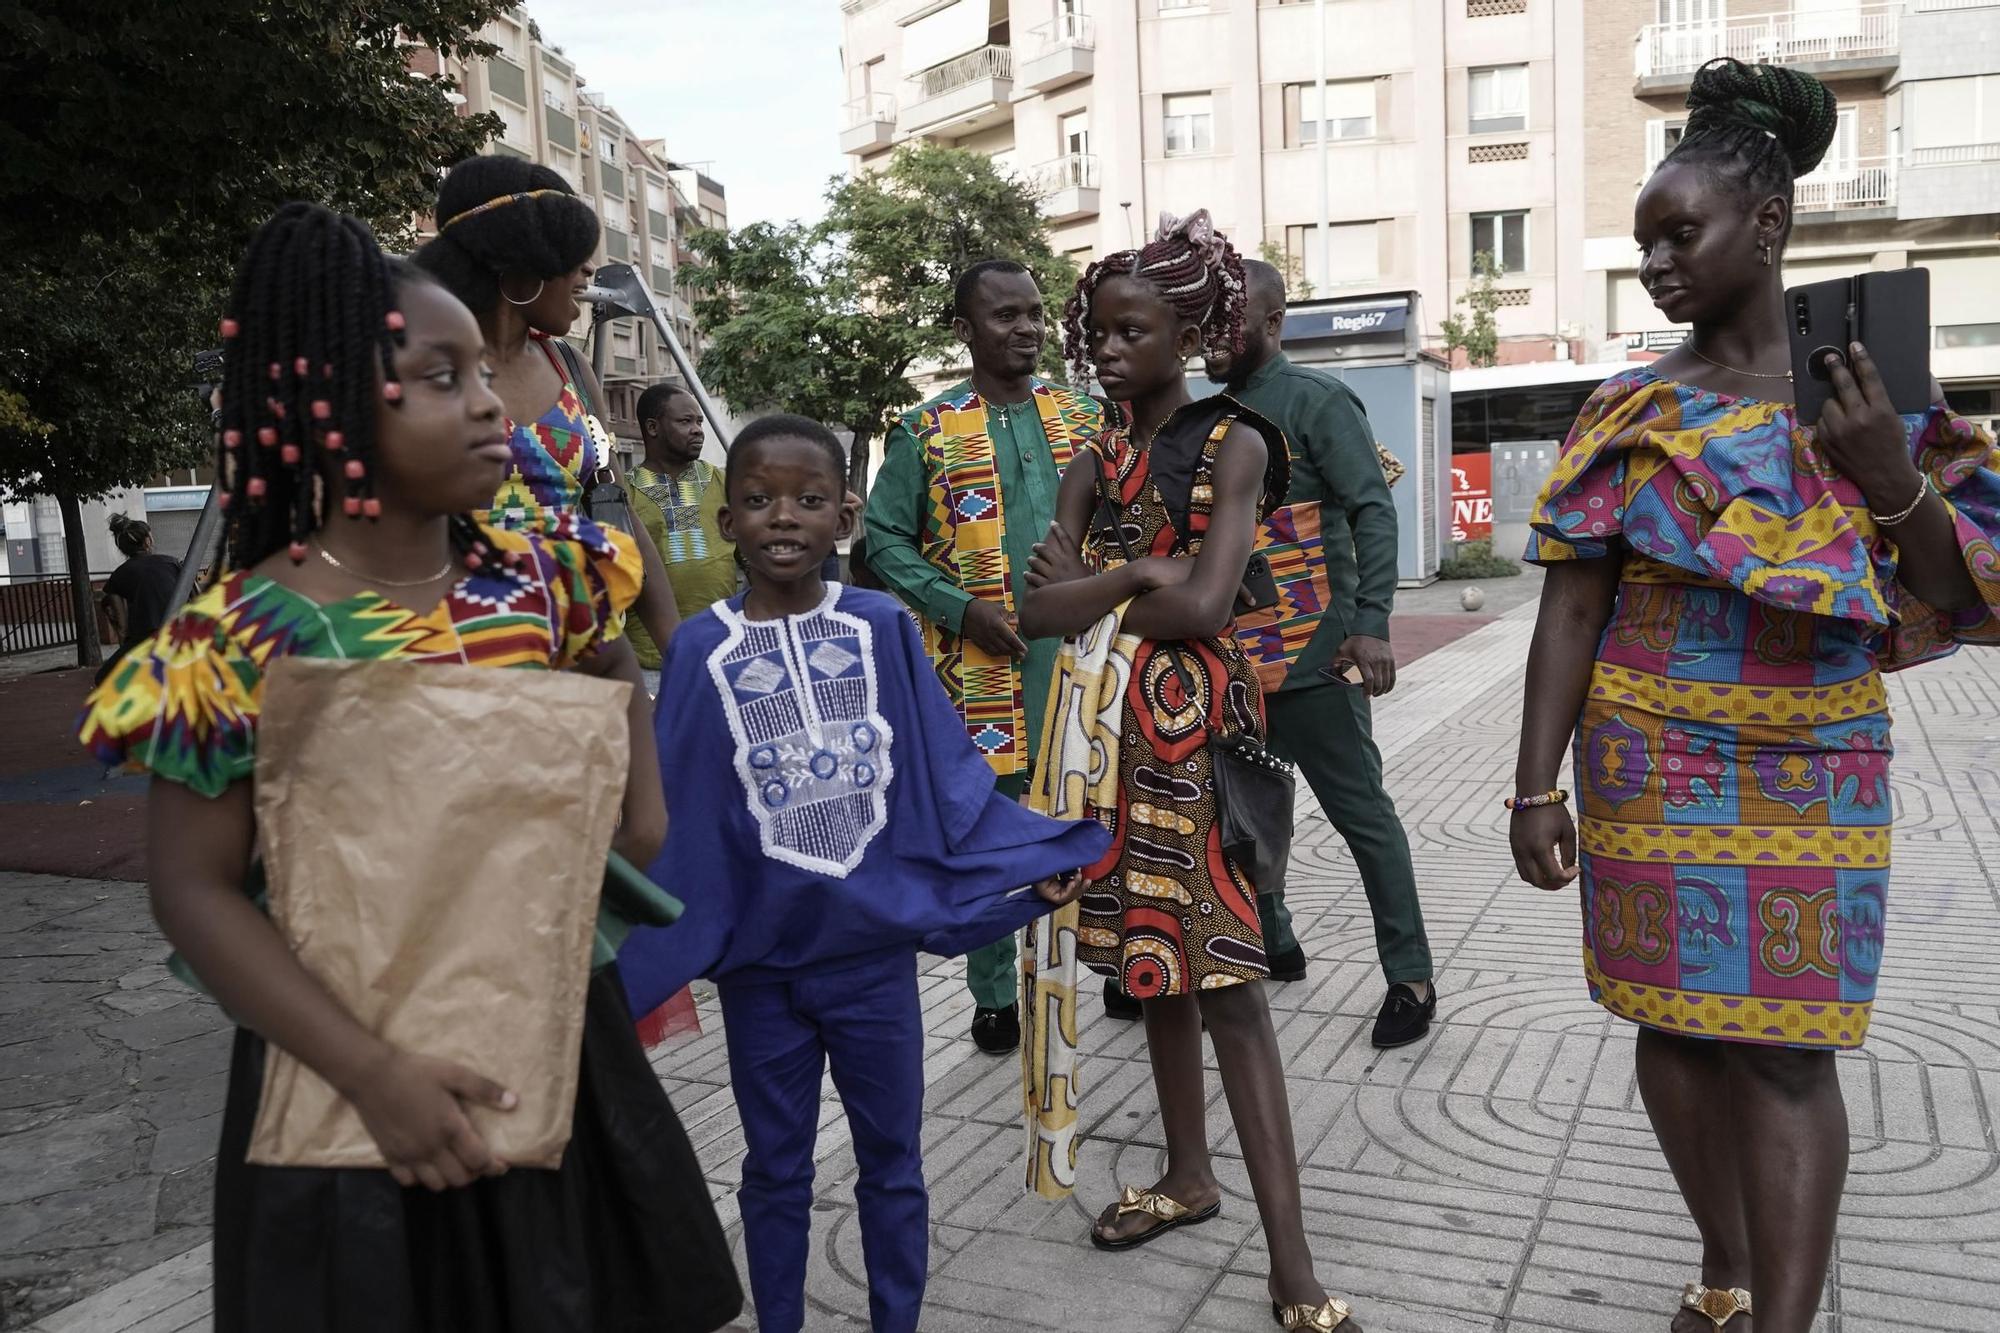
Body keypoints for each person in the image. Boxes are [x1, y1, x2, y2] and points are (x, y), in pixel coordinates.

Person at [76, 204, 742, 1333]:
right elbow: (192, 889)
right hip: (343, 1074)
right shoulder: (235, 640)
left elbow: (609, 669)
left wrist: (636, 814)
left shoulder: (540, 581)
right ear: (322, 407)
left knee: (573, 1290)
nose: (489, 400)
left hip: (550, 1040)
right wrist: (372, 1072)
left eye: (483, 370)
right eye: (442, 378)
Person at [1511, 60, 2000, 1333]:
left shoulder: (1868, 398)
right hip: (1643, 756)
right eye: (1644, 242)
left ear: (1768, 224)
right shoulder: (1628, 407)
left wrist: (1887, 474)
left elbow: (1962, 588)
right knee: (1670, 1027)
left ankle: (1779, 1319)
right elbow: (1570, 604)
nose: (1658, 261)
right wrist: (1529, 785)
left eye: (1682, 233)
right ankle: (1722, 1264)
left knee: (1786, 1048)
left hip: (1813, 761)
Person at [616, 414, 1108, 1333]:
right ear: (728, 524)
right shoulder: (695, 651)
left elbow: (943, 775)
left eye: (807, 499)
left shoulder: (881, 625)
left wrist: (1026, 858)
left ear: (843, 515)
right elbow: (675, 819)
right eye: (758, 499)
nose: (783, 518)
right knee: (772, 1169)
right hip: (760, 976)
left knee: (893, 1161)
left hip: (873, 967)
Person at [1021, 211, 1363, 1333]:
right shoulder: (1092, 454)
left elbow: (1209, 605)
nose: (1107, 350)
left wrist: (1108, 577)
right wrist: (1143, 575)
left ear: (1188, 329)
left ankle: (1294, 1265)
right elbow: (1035, 608)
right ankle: (1186, 1174)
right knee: (1150, 969)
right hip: (1111, 741)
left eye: (1131, 331)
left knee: (1232, 989)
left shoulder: (1238, 444)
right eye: (1098, 332)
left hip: (1199, 745)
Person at [863, 259, 1106, 1054]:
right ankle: (995, 991)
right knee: (989, 824)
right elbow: (884, 540)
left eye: (1034, 313)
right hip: (977, 673)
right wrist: (958, 607)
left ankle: (1107, 960)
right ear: (965, 332)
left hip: (1081, 663)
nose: (1027, 328)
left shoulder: (1084, 419)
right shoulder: (925, 430)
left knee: (1090, 801)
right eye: (1005, 316)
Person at [1202, 259, 1438, 1049]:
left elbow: (1373, 509)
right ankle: (1274, 939)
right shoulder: (1204, 418)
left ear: (1274, 325)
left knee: (1362, 817)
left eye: (1232, 317)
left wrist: (1370, 622)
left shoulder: (1316, 400)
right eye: (1206, 316)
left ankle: (1410, 976)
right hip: (1231, 664)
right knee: (1243, 811)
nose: (1213, 331)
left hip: (1316, 658)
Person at [414, 155, 681, 654]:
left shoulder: (572, 369)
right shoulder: (417, 369)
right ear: (517, 258)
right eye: (571, 250)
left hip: (580, 651)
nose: (588, 269)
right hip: (453, 661)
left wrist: (683, 653)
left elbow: (616, 515)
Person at [624, 382, 736, 692]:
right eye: (685, 421)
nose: (698, 430)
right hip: (653, 664)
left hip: (724, 652)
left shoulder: (724, 483)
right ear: (653, 427)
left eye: (699, 421)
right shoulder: (625, 494)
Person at [96, 514, 182, 684]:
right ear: (147, 541)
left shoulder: (119, 576)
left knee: (103, 678)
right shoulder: (173, 564)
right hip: (179, 635)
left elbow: (121, 626)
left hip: (145, 638)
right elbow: (197, 598)